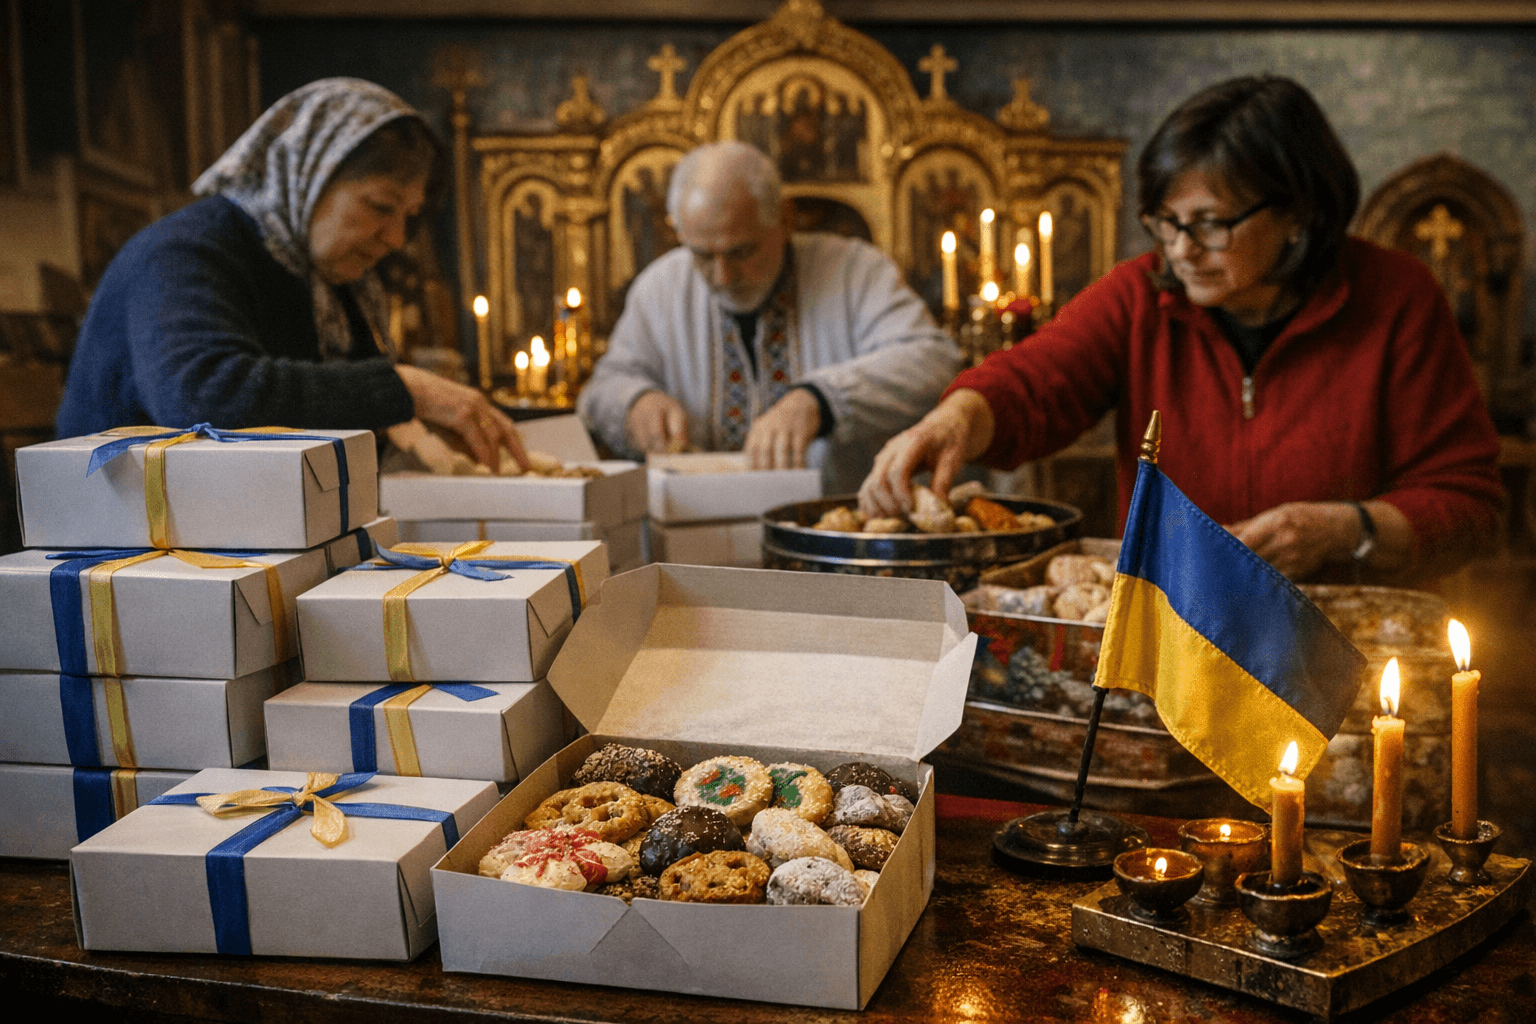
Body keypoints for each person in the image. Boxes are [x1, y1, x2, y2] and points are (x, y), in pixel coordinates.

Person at [860, 75, 1502, 584]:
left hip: (1348, 638)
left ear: (1297, 212)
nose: (1180, 249)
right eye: (1165, 222)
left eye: (1209, 223)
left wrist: (1346, 528)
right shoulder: (1140, 294)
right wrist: (956, 418)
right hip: (1177, 639)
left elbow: (1469, 507)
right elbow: (1035, 380)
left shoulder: (1397, 299)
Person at [56, 77, 527, 471]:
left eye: (408, 215)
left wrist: (426, 430)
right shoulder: (184, 252)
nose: (396, 239)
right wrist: (408, 389)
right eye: (381, 207)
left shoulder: (332, 280)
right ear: (309, 174)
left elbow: (349, 414)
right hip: (129, 545)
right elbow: (205, 399)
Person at [577, 140, 963, 494]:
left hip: (835, 534)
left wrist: (820, 400)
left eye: (742, 252)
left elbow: (933, 361)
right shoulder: (659, 287)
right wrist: (634, 401)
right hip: (692, 539)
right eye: (702, 255)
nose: (723, 277)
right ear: (677, 231)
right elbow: (604, 386)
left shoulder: (856, 272)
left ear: (784, 219)